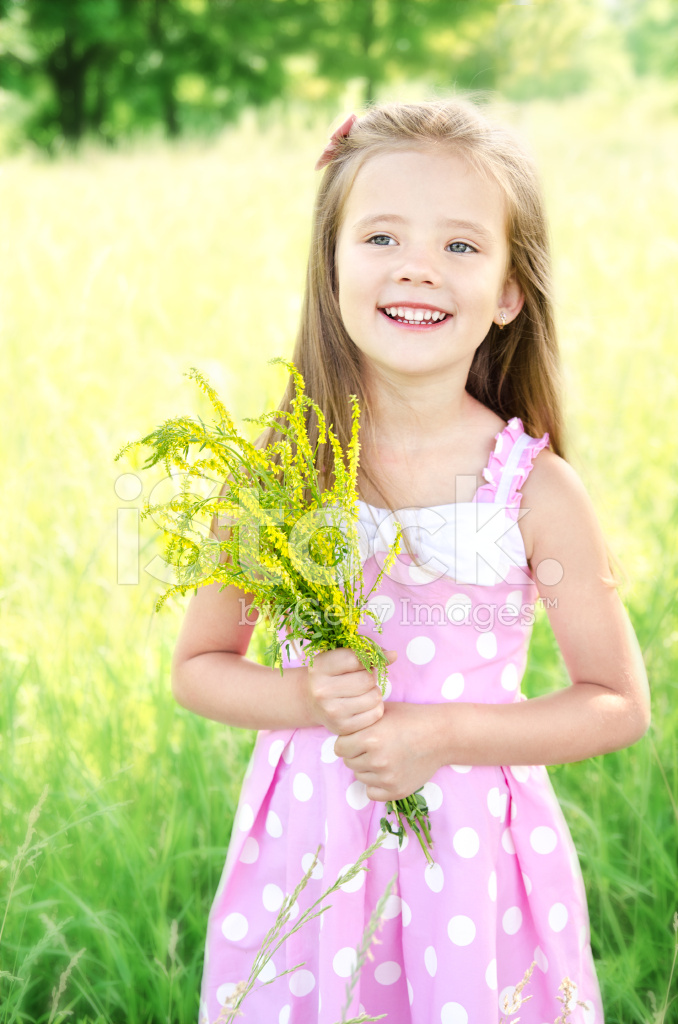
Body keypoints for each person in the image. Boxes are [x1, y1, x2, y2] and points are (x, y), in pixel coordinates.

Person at [171, 99, 651, 1024]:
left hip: (470, 856)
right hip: (309, 850)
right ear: (335, 263)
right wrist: (307, 698)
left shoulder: (533, 490)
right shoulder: (283, 471)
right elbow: (200, 669)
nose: (417, 267)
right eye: (382, 236)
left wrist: (438, 737)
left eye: (462, 247)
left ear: (512, 291)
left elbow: (617, 702)